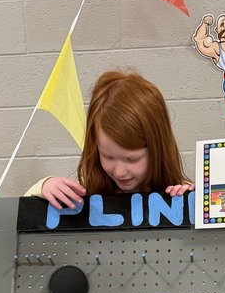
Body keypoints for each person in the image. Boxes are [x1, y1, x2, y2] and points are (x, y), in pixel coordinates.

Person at [26, 70, 194, 210]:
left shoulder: (180, 190)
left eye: (131, 159)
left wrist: (195, 200)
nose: (119, 172)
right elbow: (23, 217)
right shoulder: (85, 191)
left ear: (157, 150)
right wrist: (44, 186)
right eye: (108, 156)